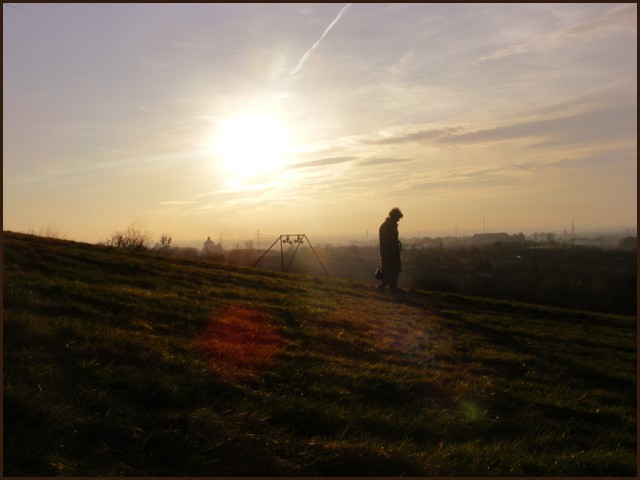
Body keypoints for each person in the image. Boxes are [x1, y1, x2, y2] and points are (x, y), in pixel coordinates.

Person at [376, 207, 403, 293]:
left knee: (393, 270)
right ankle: (388, 288)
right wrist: (390, 250)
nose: (399, 220)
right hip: (389, 252)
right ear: (394, 216)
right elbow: (387, 240)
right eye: (398, 217)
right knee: (391, 271)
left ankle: (391, 288)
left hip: (392, 250)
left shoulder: (389, 225)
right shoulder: (387, 226)